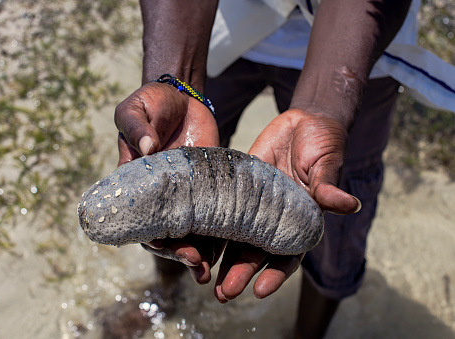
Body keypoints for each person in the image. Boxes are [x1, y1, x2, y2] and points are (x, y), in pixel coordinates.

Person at [112, 0, 441, 337]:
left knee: (334, 204)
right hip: (219, 24)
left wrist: (324, 104)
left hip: (359, 39)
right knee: (170, 175)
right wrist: (175, 77)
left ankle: (308, 334)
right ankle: (166, 296)